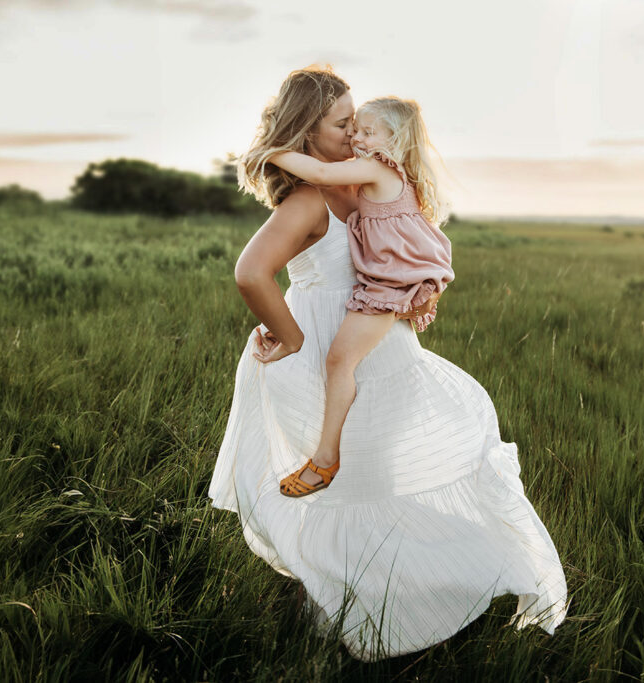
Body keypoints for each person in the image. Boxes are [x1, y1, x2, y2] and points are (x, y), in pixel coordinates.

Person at [208, 65, 568, 661]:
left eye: (358, 122)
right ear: (306, 133)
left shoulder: (366, 181)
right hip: (324, 348)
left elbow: (401, 250)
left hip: (383, 351)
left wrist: (419, 293)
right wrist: (291, 337)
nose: (354, 133)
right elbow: (250, 272)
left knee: (387, 477)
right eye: (343, 123)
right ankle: (341, 610)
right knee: (342, 489)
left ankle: (394, 600)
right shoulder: (308, 199)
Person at [262, 96, 455, 498]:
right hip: (389, 280)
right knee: (342, 363)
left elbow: (317, 170)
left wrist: (271, 150)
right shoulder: (389, 172)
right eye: (354, 128)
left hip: (386, 287)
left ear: (394, 138)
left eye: (368, 131)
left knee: (339, 361)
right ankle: (332, 456)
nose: (357, 137)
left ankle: (325, 458)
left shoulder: (376, 167)